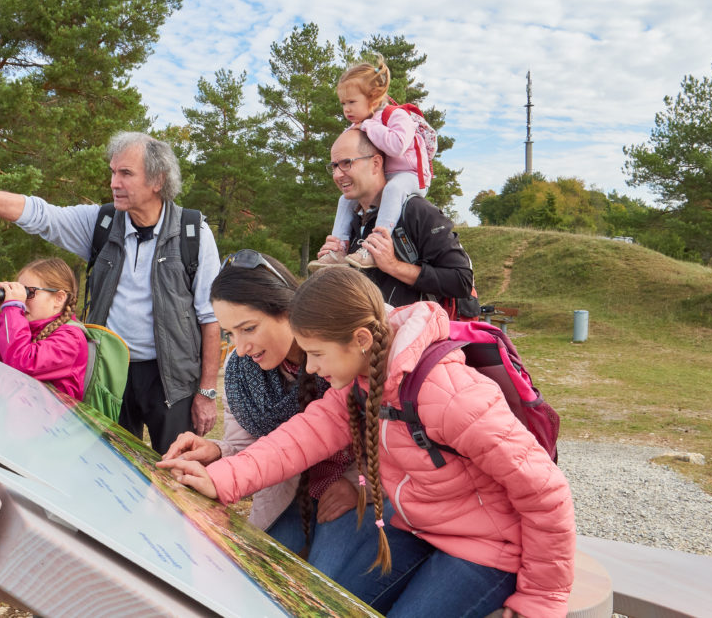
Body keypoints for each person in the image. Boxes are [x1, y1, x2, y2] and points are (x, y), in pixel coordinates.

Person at [159, 267, 575, 617]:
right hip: (418, 526)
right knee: (323, 602)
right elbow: (300, 438)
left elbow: (545, 490)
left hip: (486, 547)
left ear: (360, 339)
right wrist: (222, 478)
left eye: (318, 355)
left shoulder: (449, 395)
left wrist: (541, 598)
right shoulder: (361, 381)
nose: (316, 370)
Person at [0, 131, 221, 455]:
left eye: (126, 173)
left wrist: (207, 392)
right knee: (110, 470)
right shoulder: (101, 223)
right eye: (112, 172)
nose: (114, 182)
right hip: (109, 375)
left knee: (176, 474)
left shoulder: (193, 234)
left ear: (158, 180)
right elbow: (39, 215)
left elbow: (209, 317)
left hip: (172, 379)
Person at [162, 250, 389, 606]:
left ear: (288, 311)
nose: (240, 347)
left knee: (324, 589)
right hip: (287, 496)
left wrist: (355, 484)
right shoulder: (241, 372)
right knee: (255, 581)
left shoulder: (344, 359)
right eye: (230, 333)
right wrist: (218, 451)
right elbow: (252, 445)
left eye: (249, 328)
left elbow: (392, 447)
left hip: (357, 494)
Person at [316, 128, 474, 310]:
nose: (337, 175)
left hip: (412, 335)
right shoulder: (350, 221)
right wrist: (338, 268)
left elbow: (461, 281)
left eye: (346, 163)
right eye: (334, 166)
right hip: (364, 335)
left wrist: (393, 265)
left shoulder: (417, 211)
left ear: (376, 163)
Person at [310, 54, 430, 272]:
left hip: (411, 176)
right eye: (343, 103)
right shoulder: (361, 124)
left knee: (393, 189)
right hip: (386, 175)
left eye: (352, 102)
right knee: (345, 199)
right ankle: (337, 247)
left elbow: (396, 146)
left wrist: (367, 127)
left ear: (373, 98)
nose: (346, 109)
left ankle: (375, 246)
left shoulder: (397, 116)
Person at [0, 258, 88, 400]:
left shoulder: (71, 339)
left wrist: (12, 308)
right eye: (20, 292)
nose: (21, 299)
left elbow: (22, 364)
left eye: (29, 293)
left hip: (48, 421)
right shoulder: (18, 327)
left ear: (59, 298)